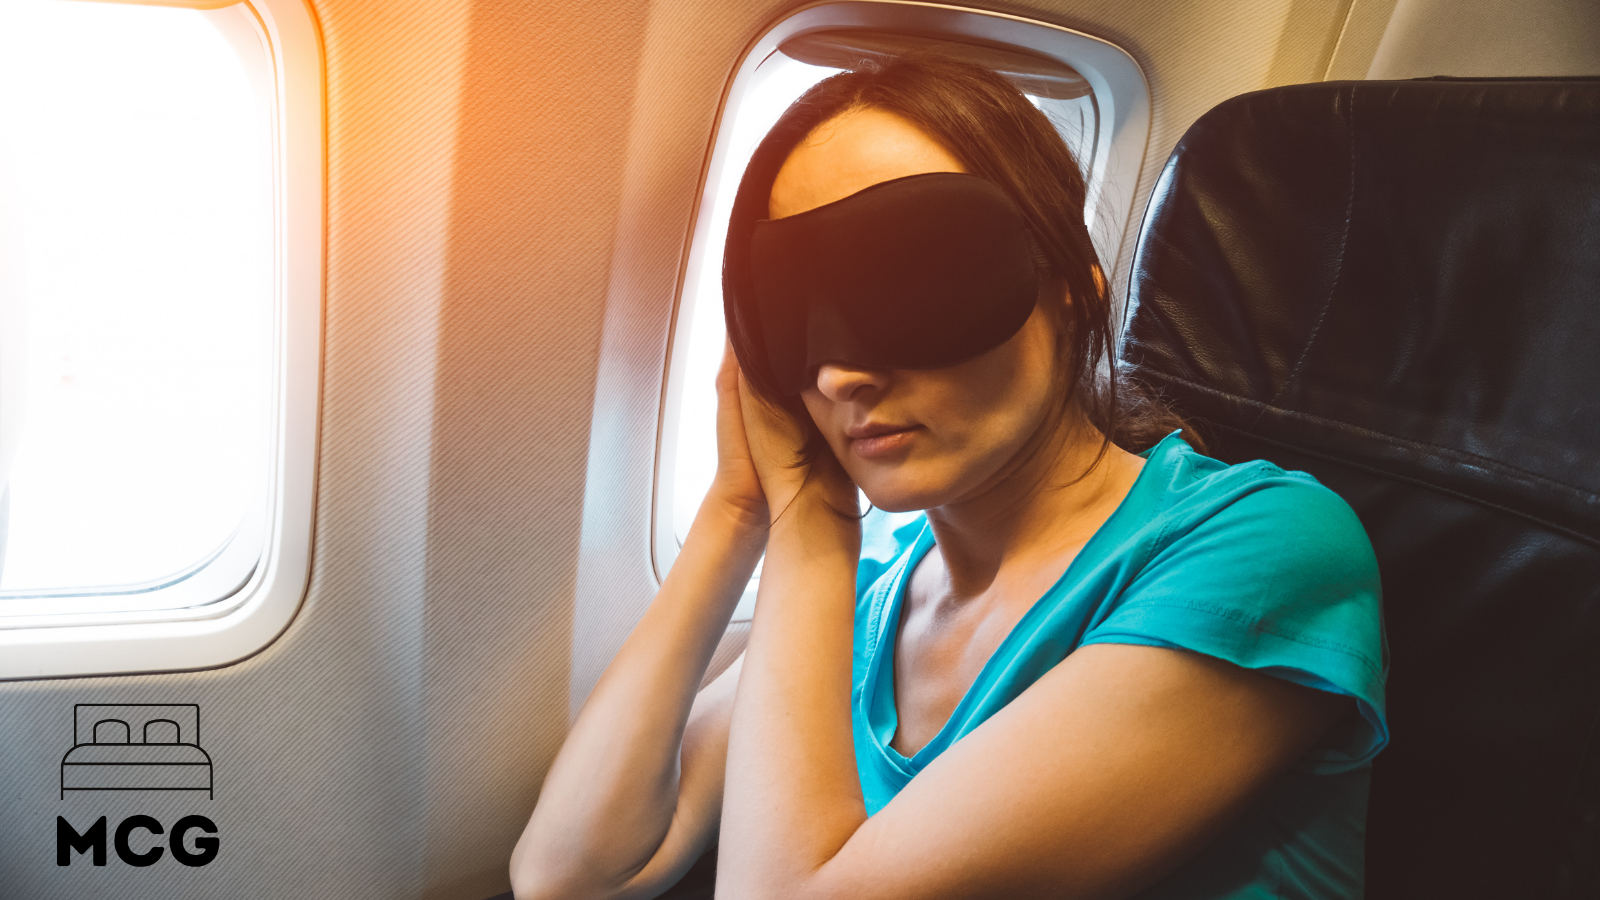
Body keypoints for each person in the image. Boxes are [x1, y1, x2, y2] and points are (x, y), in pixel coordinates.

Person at [510, 51, 1387, 899]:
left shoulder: (1264, 545)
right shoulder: (873, 600)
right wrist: (740, 507)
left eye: (908, 279)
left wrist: (813, 522)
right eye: (791, 315)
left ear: (1072, 290)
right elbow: (574, 874)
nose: (838, 374)